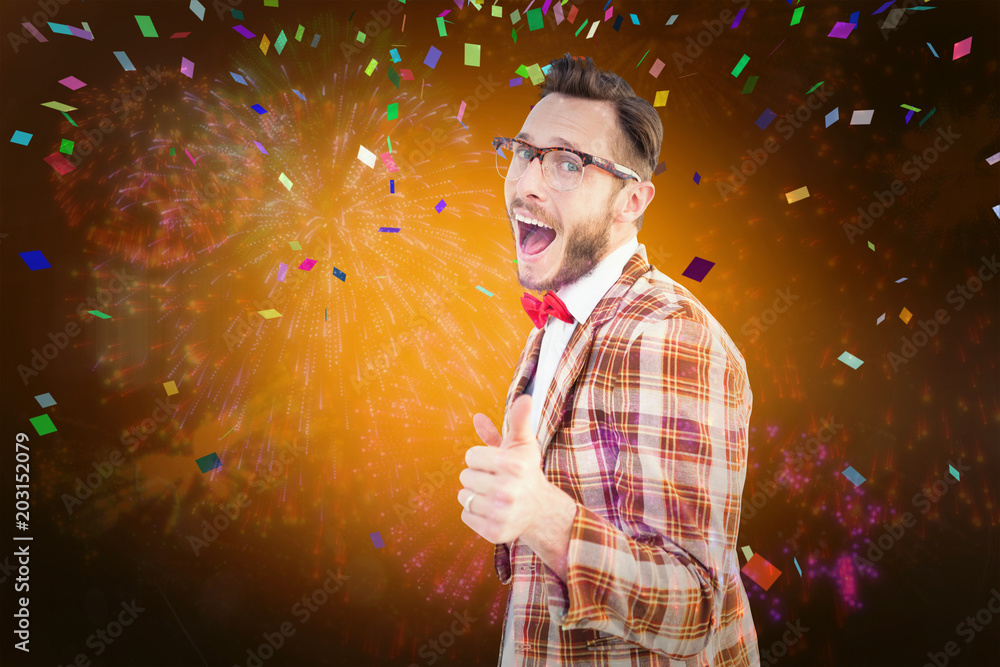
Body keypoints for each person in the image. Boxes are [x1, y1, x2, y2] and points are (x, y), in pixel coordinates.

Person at [457, 54, 759, 666]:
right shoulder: (562, 315)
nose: (528, 183)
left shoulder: (668, 335)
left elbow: (697, 607)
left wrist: (546, 518)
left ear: (631, 201)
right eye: (523, 152)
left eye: (568, 163)